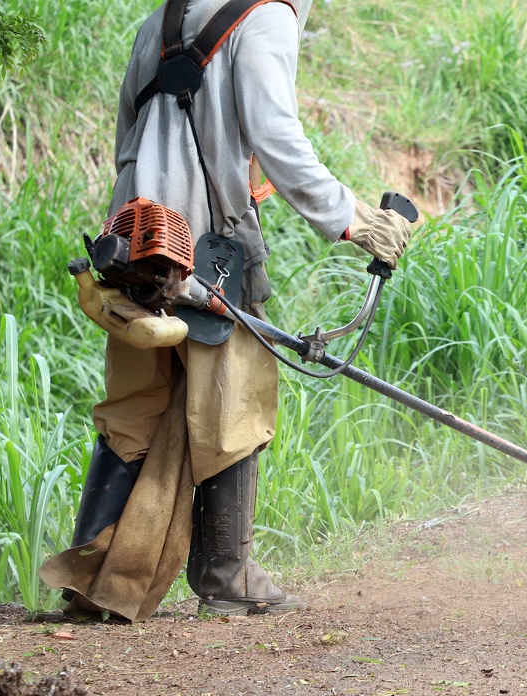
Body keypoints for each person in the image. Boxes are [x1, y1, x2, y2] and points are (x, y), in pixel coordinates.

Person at [45, 0, 412, 618]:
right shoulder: (264, 17)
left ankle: (92, 581)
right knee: (235, 401)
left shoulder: (160, 21)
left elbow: (128, 139)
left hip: (131, 240)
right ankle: (226, 575)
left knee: (131, 410)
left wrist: (139, 223)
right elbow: (276, 136)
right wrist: (354, 219)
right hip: (208, 248)